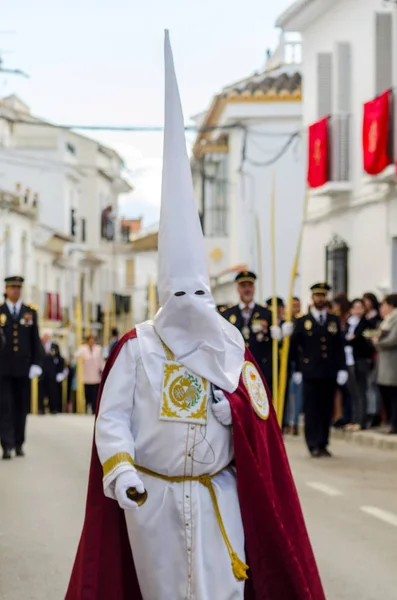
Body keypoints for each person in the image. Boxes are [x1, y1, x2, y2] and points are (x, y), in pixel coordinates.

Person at [66, 31, 325, 600]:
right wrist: (122, 471)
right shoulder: (136, 346)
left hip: (218, 493)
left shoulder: (233, 346)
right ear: (164, 294)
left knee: (223, 590)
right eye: (177, 296)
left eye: (197, 296)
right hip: (152, 501)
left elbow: (259, 422)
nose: (189, 309)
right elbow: (111, 419)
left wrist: (230, 412)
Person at [290, 282, 347, 457]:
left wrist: (342, 368)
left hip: (329, 371)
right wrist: (298, 369)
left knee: (326, 408)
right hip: (310, 372)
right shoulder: (303, 321)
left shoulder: (333, 320)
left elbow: (339, 346)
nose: (320, 299)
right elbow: (295, 347)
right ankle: (312, 443)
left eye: (323, 296)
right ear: (312, 298)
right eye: (317, 295)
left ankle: (323, 443)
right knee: (312, 409)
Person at [0, 276, 42, 459]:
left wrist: (36, 363)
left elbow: (35, 339)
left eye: (18, 287)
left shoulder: (29, 312)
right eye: (12, 287)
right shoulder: (0, 311)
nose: (16, 290)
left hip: (23, 368)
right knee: (5, 406)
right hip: (3, 369)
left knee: (21, 406)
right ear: (6, 290)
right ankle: (7, 445)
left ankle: (19, 443)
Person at [221, 273, 282, 387]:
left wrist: (279, 337)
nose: (247, 289)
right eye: (243, 286)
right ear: (238, 288)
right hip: (236, 370)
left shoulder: (267, 313)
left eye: (249, 286)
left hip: (261, 368)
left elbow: (276, 345)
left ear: (254, 288)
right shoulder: (227, 314)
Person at [344, 299, 375, 431]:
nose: (357, 310)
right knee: (353, 392)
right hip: (349, 361)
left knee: (361, 391)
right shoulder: (347, 323)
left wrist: (353, 339)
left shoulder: (367, 324)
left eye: (360, 307)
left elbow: (368, 342)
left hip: (360, 360)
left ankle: (361, 420)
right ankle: (355, 418)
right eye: (355, 307)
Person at [373, 294, 397, 434]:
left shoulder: (395, 319)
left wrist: (378, 342)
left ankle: (394, 423)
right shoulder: (386, 320)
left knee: (393, 394)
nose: (382, 308)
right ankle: (389, 421)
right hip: (384, 361)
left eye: (384, 304)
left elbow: (394, 339)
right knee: (386, 392)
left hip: (393, 362)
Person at [39, 329, 66, 414]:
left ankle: (53, 408)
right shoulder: (39, 345)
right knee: (41, 392)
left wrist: (60, 372)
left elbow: (60, 359)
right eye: (44, 336)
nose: (46, 338)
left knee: (53, 391)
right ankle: (41, 408)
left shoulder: (54, 346)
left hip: (52, 373)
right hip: (41, 372)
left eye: (47, 336)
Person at [76, 334, 104, 414]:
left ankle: (94, 409)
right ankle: (87, 406)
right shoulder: (83, 348)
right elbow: (76, 355)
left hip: (95, 376)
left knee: (95, 394)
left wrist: (103, 370)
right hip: (86, 375)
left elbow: (100, 361)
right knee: (87, 393)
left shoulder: (98, 349)